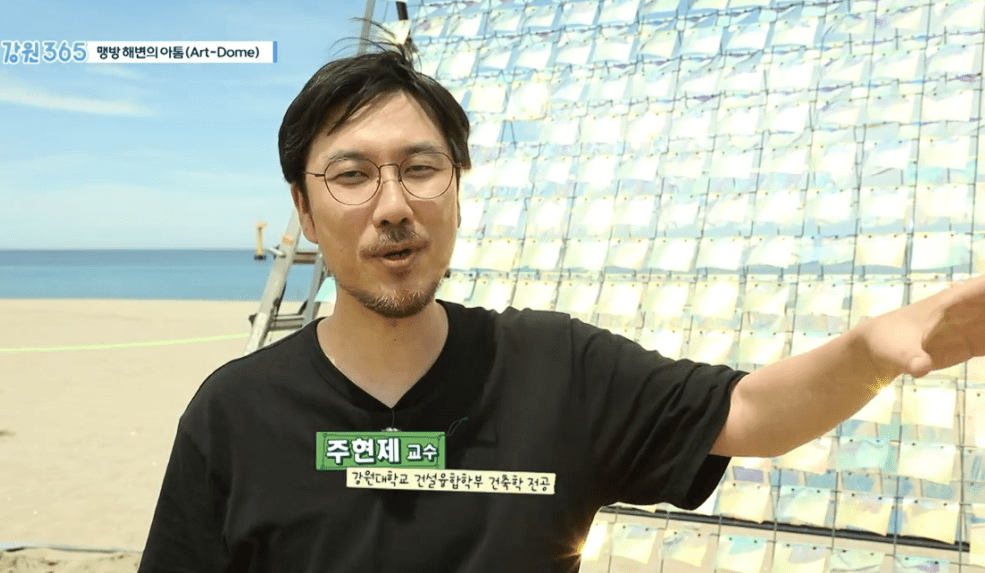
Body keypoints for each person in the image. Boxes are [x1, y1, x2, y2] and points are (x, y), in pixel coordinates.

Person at [137, 41, 985, 573]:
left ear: (457, 189)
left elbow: (750, 412)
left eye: (421, 168)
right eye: (352, 175)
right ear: (303, 205)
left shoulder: (556, 367)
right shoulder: (235, 412)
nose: (393, 205)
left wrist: (868, 353)